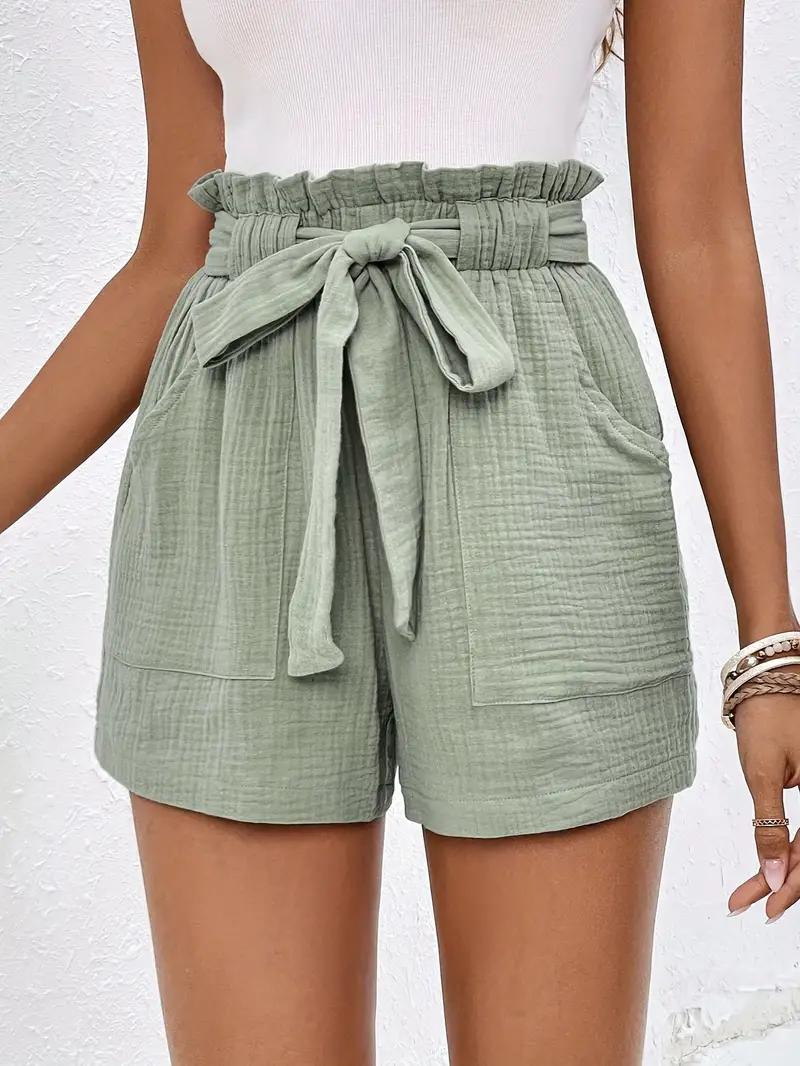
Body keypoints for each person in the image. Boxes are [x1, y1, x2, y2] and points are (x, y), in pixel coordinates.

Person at [1, 2, 798, 1064]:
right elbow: (172, 246)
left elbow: (698, 223)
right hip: (241, 439)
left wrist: (770, 647)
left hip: (528, 423)